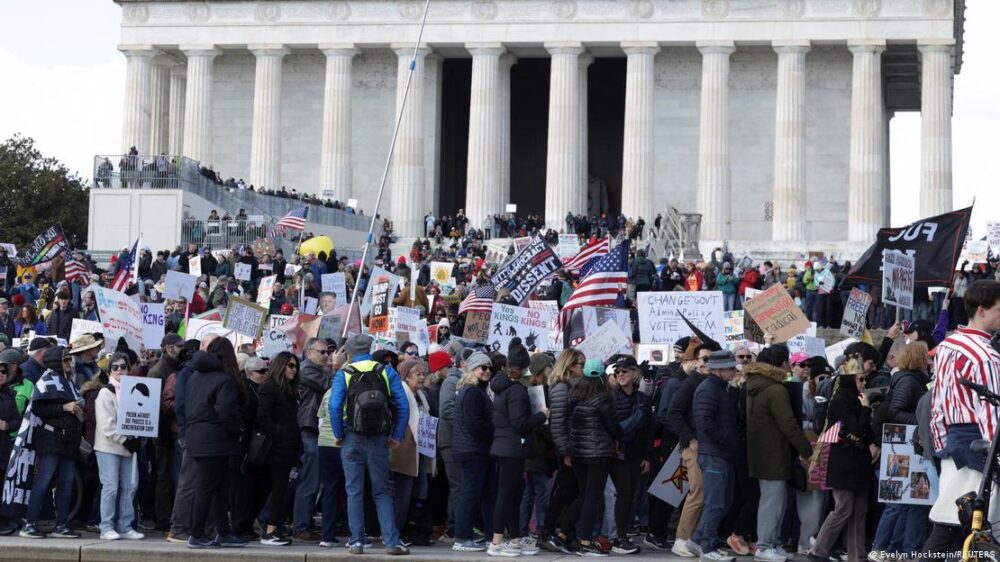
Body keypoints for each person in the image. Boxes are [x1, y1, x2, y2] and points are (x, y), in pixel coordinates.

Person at [926, 280, 1000, 555]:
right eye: (999, 310)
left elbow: (938, 402)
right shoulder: (986, 356)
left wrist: (942, 446)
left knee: (949, 526)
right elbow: (992, 411)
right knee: (978, 530)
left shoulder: (946, 346)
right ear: (981, 310)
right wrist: (997, 455)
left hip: (953, 442)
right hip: (980, 444)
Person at [328, 334, 411, 556]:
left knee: (354, 490)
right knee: (382, 491)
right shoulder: (386, 371)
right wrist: (397, 435)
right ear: (370, 347)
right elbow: (402, 406)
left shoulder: (344, 373)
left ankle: (356, 541)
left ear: (350, 351)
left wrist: (338, 433)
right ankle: (392, 541)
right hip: (379, 438)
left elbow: (334, 406)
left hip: (351, 436)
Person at [744, 356, 812, 562]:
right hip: (775, 453)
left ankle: (771, 543)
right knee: (773, 502)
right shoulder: (776, 390)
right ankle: (765, 545)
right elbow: (788, 424)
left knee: (773, 500)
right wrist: (805, 449)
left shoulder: (754, 387)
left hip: (762, 452)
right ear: (780, 365)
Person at [807, 356, 874, 562]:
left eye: (864, 380)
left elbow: (867, 434)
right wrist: (865, 410)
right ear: (849, 380)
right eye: (860, 380)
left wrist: (862, 418)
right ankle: (818, 550)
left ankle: (857, 555)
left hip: (858, 463)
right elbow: (857, 428)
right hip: (843, 464)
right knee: (843, 508)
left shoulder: (856, 400)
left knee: (859, 511)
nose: (864, 384)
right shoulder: (842, 401)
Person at [183, 337, 248, 549]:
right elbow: (226, 411)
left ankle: (223, 531)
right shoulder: (224, 379)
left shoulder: (195, 376)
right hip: (216, 440)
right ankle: (197, 533)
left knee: (218, 487)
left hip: (197, 437)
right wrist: (239, 429)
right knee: (208, 488)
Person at [869, 342, 931, 560]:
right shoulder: (908, 381)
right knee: (896, 504)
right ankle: (881, 548)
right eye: (926, 357)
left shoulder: (911, 380)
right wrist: (923, 422)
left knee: (913, 504)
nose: (930, 361)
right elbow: (895, 411)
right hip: (904, 449)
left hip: (909, 450)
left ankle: (902, 550)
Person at [488, 339, 547, 557]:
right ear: (523, 368)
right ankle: (496, 541)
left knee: (511, 495)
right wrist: (542, 415)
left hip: (506, 447)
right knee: (506, 496)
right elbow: (519, 423)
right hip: (512, 448)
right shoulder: (517, 391)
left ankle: (513, 540)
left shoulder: (502, 387)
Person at [20, 346, 84, 539]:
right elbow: (39, 409)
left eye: (70, 360)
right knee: (44, 480)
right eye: (65, 360)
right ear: (57, 361)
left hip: (69, 439)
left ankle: (62, 525)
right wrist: (64, 407)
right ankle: (30, 524)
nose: (69, 363)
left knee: (66, 482)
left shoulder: (69, 382)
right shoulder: (46, 380)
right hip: (50, 437)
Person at [566, 358, 624, 557]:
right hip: (599, 453)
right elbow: (614, 426)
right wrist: (621, 436)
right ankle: (585, 542)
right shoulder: (604, 397)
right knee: (592, 497)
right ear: (602, 376)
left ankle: (563, 532)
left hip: (578, 453)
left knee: (584, 495)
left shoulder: (574, 395)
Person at [690, 350, 741, 562]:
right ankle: (707, 548)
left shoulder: (721, 388)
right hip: (713, 453)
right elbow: (704, 422)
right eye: (730, 367)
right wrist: (727, 438)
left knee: (723, 501)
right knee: (716, 503)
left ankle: (698, 540)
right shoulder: (709, 389)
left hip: (720, 453)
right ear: (718, 370)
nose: (734, 370)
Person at [666, 344, 714, 557]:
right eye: (704, 359)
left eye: (711, 359)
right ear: (695, 361)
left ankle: (693, 538)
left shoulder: (712, 383)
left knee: (704, 492)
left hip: (707, 447)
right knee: (698, 491)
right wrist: (690, 438)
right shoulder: (690, 384)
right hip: (692, 446)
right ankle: (682, 539)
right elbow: (672, 413)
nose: (707, 363)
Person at [94, 352, 144, 541]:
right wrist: (126, 439)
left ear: (129, 369)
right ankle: (106, 526)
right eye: (115, 367)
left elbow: (141, 418)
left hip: (129, 447)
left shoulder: (135, 390)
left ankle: (124, 525)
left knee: (130, 486)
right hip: (109, 447)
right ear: (109, 371)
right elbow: (107, 424)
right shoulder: (105, 392)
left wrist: (138, 436)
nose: (120, 370)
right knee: (111, 487)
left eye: (123, 366)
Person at [450, 351, 497, 552]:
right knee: (470, 493)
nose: (487, 371)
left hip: (476, 449)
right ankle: (461, 537)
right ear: (472, 369)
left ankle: (489, 535)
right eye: (483, 368)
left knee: (486, 493)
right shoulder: (472, 392)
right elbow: (474, 422)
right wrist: (494, 434)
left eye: (489, 368)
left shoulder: (477, 391)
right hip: (473, 450)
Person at [256, 351, 303, 546]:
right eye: (290, 366)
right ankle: (270, 530)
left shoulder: (289, 390)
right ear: (281, 366)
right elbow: (263, 418)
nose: (294, 370)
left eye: (296, 366)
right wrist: (280, 434)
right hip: (276, 448)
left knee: (281, 488)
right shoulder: (270, 387)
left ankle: (273, 527)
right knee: (278, 488)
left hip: (287, 447)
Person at [542, 349, 586, 554]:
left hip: (574, 447)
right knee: (565, 492)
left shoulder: (574, 386)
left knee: (570, 492)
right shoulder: (561, 388)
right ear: (569, 365)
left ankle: (562, 532)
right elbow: (558, 425)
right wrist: (566, 452)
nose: (583, 369)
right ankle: (548, 531)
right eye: (580, 364)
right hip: (567, 449)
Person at [293, 337, 336, 542]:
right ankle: (301, 526)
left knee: (314, 480)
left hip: (317, 431)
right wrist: (335, 366)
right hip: (307, 429)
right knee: (309, 480)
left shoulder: (317, 370)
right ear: (310, 352)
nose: (327, 355)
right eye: (323, 352)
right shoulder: (307, 370)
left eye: (328, 352)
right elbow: (330, 386)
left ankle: (304, 523)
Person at [609, 356, 651, 555]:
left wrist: (647, 457)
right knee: (624, 494)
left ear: (635, 373)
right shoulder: (610, 396)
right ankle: (619, 538)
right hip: (616, 454)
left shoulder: (643, 398)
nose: (620, 375)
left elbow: (648, 432)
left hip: (636, 454)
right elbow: (615, 429)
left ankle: (622, 536)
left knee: (630, 495)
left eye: (624, 371)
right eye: (617, 372)